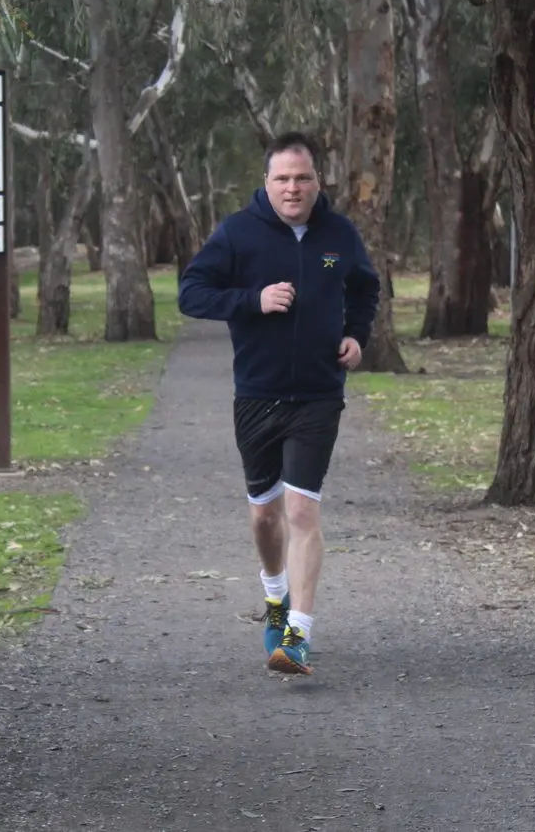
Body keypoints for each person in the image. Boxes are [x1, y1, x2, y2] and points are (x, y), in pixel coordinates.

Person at [177, 131, 381, 675]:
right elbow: (191, 293)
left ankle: (297, 636)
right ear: (266, 183)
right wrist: (252, 299)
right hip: (258, 395)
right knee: (265, 515)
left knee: (300, 509)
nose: (293, 188)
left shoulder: (338, 235)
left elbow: (365, 288)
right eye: (283, 178)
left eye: (303, 177)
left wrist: (357, 336)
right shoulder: (239, 233)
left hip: (318, 393)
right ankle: (275, 596)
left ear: (318, 182)